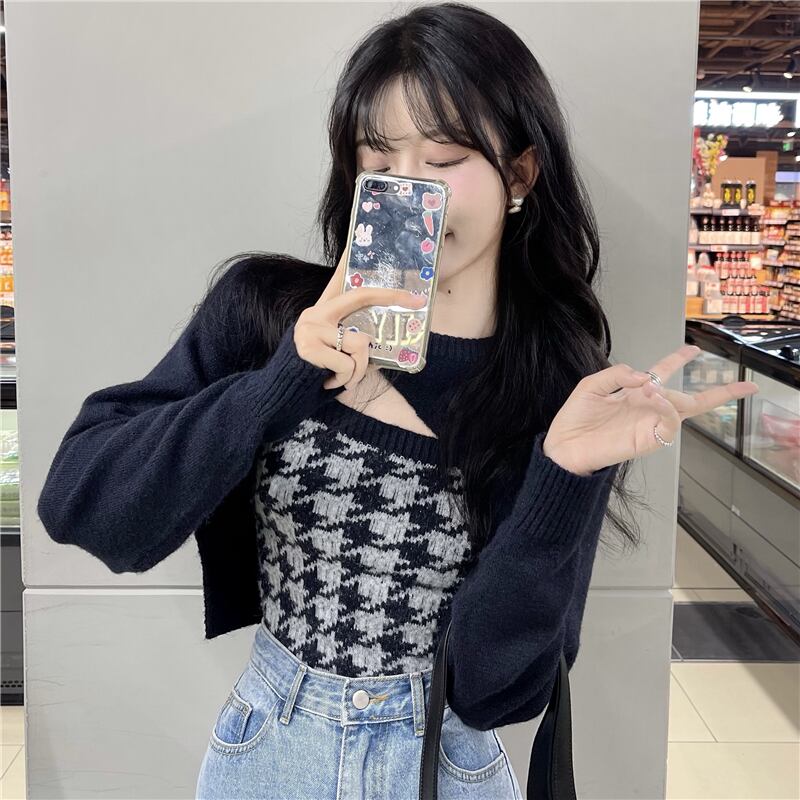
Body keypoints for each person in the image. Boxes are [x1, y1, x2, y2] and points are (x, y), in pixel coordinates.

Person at [36, 3, 759, 799]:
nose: (409, 190)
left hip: (447, 766)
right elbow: (84, 508)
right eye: (378, 158)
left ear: (520, 175)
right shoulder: (267, 314)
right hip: (273, 752)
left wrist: (563, 473)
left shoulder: (558, 388)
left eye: (445, 158)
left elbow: (495, 695)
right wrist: (276, 387)